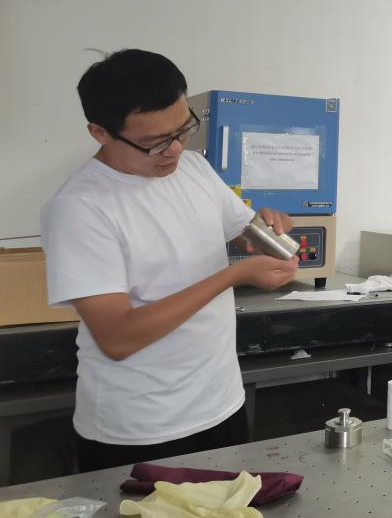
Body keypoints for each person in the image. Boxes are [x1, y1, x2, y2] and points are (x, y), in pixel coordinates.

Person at [41, 49, 300, 472]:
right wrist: (232, 275)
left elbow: (240, 228)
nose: (174, 149)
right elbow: (118, 337)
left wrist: (266, 227)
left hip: (221, 403)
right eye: (153, 142)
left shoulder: (193, 168)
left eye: (182, 130)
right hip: (140, 428)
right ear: (100, 132)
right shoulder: (79, 208)